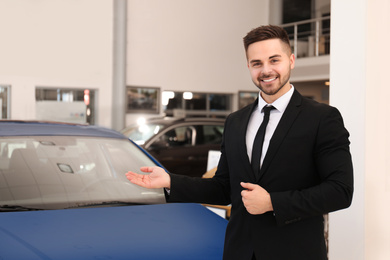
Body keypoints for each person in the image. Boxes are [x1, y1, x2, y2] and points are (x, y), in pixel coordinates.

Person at [126, 25, 353, 260]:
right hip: (240, 251)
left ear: (291, 60)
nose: (266, 70)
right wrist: (171, 181)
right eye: (257, 63)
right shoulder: (236, 121)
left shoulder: (323, 118)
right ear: (248, 66)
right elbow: (224, 188)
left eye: (274, 60)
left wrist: (273, 202)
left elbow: (340, 190)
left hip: (295, 252)